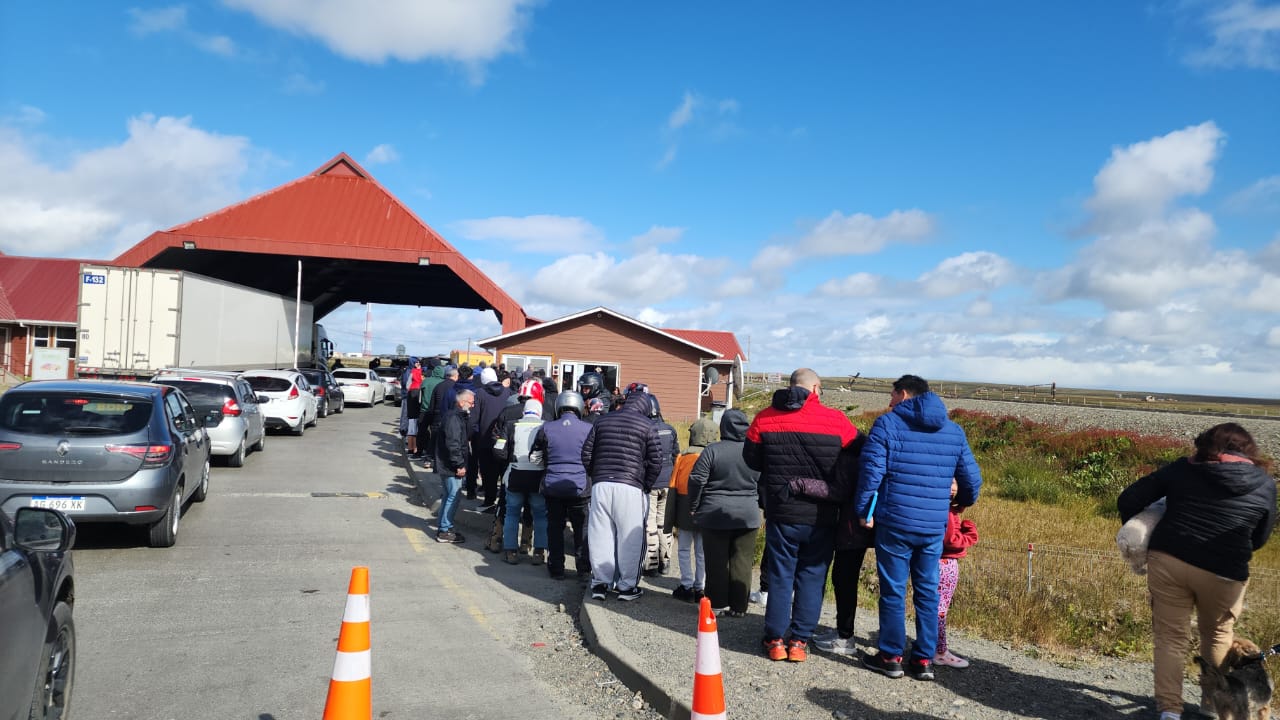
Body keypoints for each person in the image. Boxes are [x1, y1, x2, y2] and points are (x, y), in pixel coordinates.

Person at [1118, 423, 1276, 720]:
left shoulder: (1183, 469)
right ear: (1249, 451)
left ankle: (1169, 712)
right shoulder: (1264, 484)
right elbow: (1260, 537)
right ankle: (1211, 707)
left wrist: (1146, 526)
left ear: (1204, 446)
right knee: (1217, 634)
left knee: (1170, 636)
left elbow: (1129, 498)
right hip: (1225, 572)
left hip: (1170, 560)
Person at [857, 374, 982, 682]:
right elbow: (972, 482)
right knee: (928, 591)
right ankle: (924, 660)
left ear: (903, 394)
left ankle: (891, 657)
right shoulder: (953, 431)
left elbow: (871, 473)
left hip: (895, 523)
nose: (889, 402)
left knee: (893, 591)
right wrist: (957, 501)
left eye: (892, 395)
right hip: (932, 527)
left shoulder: (887, 425)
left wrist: (863, 510)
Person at [744, 368, 859, 663]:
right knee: (812, 576)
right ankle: (798, 642)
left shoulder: (764, 417)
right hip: (822, 513)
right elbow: (860, 449)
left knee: (781, 576)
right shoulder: (837, 421)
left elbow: (751, 458)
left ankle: (775, 641)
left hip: (782, 511)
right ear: (816, 388)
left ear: (790, 386)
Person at [582, 391, 662, 602]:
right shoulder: (647, 425)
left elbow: (586, 453)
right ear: (646, 408)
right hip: (631, 486)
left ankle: (600, 583)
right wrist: (646, 485)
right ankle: (627, 587)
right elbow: (656, 461)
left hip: (601, 485)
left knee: (601, 536)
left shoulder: (602, 421)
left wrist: (595, 474)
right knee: (631, 538)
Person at [689, 409, 761, 617]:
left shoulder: (713, 450)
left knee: (716, 560)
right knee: (743, 561)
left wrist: (694, 505)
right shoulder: (755, 452)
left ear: (724, 427)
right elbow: (765, 480)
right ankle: (739, 606)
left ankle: (718, 604)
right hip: (748, 513)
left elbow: (696, 479)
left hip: (714, 512)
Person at [535, 391, 593, 580]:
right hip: (580, 486)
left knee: (554, 527)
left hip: (553, 485)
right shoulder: (588, 428)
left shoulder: (547, 427)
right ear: (579, 407)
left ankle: (556, 568)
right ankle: (583, 570)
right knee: (581, 528)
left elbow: (536, 456)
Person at [664, 415, 719, 602]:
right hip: (707, 507)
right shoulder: (714, 454)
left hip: (684, 507)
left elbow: (672, 486)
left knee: (684, 549)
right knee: (702, 551)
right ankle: (700, 587)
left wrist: (669, 518)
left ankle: (686, 586)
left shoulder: (683, 456)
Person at [498, 399, 548, 565]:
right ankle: (539, 552)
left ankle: (510, 551)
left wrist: (509, 461)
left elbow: (499, 450)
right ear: (539, 412)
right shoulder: (546, 426)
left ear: (524, 411)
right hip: (538, 476)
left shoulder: (511, 425)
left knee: (511, 513)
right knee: (540, 515)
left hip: (515, 474)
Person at [935, 478, 979, 669]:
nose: (953, 488)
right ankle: (939, 651)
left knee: (936, 605)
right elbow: (951, 540)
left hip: (936, 562)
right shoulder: (947, 512)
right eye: (950, 482)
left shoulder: (942, 509)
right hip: (946, 563)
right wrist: (970, 534)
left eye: (956, 483)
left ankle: (931, 646)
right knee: (940, 609)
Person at [643, 391, 679, 577]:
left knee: (649, 524)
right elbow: (676, 455)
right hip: (668, 482)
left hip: (651, 483)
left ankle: (651, 564)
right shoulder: (670, 429)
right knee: (664, 524)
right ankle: (665, 562)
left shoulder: (644, 429)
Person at [433, 389, 475, 543]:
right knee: (453, 496)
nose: (473, 405)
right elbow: (453, 444)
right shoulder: (454, 418)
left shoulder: (456, 416)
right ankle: (444, 530)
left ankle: (445, 527)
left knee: (448, 496)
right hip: (451, 465)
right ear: (462, 402)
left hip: (448, 463)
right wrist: (459, 464)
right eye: (471, 402)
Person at [472, 366, 512, 509]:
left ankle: (489, 501)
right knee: (504, 472)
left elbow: (474, 418)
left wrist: (471, 435)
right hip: (504, 438)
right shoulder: (508, 392)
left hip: (485, 439)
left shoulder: (480, 393)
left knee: (488, 473)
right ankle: (504, 503)